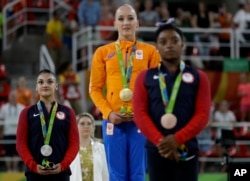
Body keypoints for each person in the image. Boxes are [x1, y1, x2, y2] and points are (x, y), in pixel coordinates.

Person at [132, 19, 211, 181]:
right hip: (157, 149)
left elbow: (202, 115)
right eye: (163, 42)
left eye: (175, 40)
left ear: (183, 44)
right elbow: (140, 114)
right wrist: (162, 143)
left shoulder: (199, 77)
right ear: (157, 47)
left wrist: (177, 139)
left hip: (186, 147)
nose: (169, 45)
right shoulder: (144, 77)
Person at [89, 3, 160, 181]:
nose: (126, 23)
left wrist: (143, 112)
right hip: (113, 122)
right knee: (116, 174)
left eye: (130, 18)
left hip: (140, 122)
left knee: (138, 173)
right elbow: (94, 89)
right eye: (121, 19)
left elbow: (158, 87)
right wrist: (109, 113)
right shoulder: (103, 52)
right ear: (114, 24)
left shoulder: (150, 51)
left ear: (138, 22)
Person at [16, 69, 79, 181]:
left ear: (56, 86)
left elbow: (74, 143)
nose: (45, 85)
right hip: (34, 174)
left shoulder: (68, 112)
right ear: (36, 87)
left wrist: (63, 165)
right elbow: (21, 144)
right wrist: (33, 166)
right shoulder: (26, 113)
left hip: (61, 173)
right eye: (41, 82)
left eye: (50, 82)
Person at [70, 112, 109, 181]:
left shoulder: (101, 148)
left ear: (93, 127)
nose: (86, 126)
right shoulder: (69, 148)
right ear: (75, 127)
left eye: (89, 123)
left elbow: (105, 173)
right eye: (82, 123)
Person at [0, 90, 25, 172]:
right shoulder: (4, 108)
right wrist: (1, 132)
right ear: (9, 97)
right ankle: (9, 169)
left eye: (14, 96)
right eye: (11, 96)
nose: (13, 98)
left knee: (17, 152)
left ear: (17, 97)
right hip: (7, 133)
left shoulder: (22, 107)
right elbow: (1, 121)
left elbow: (25, 122)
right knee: (8, 152)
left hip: (18, 133)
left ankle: (14, 169)